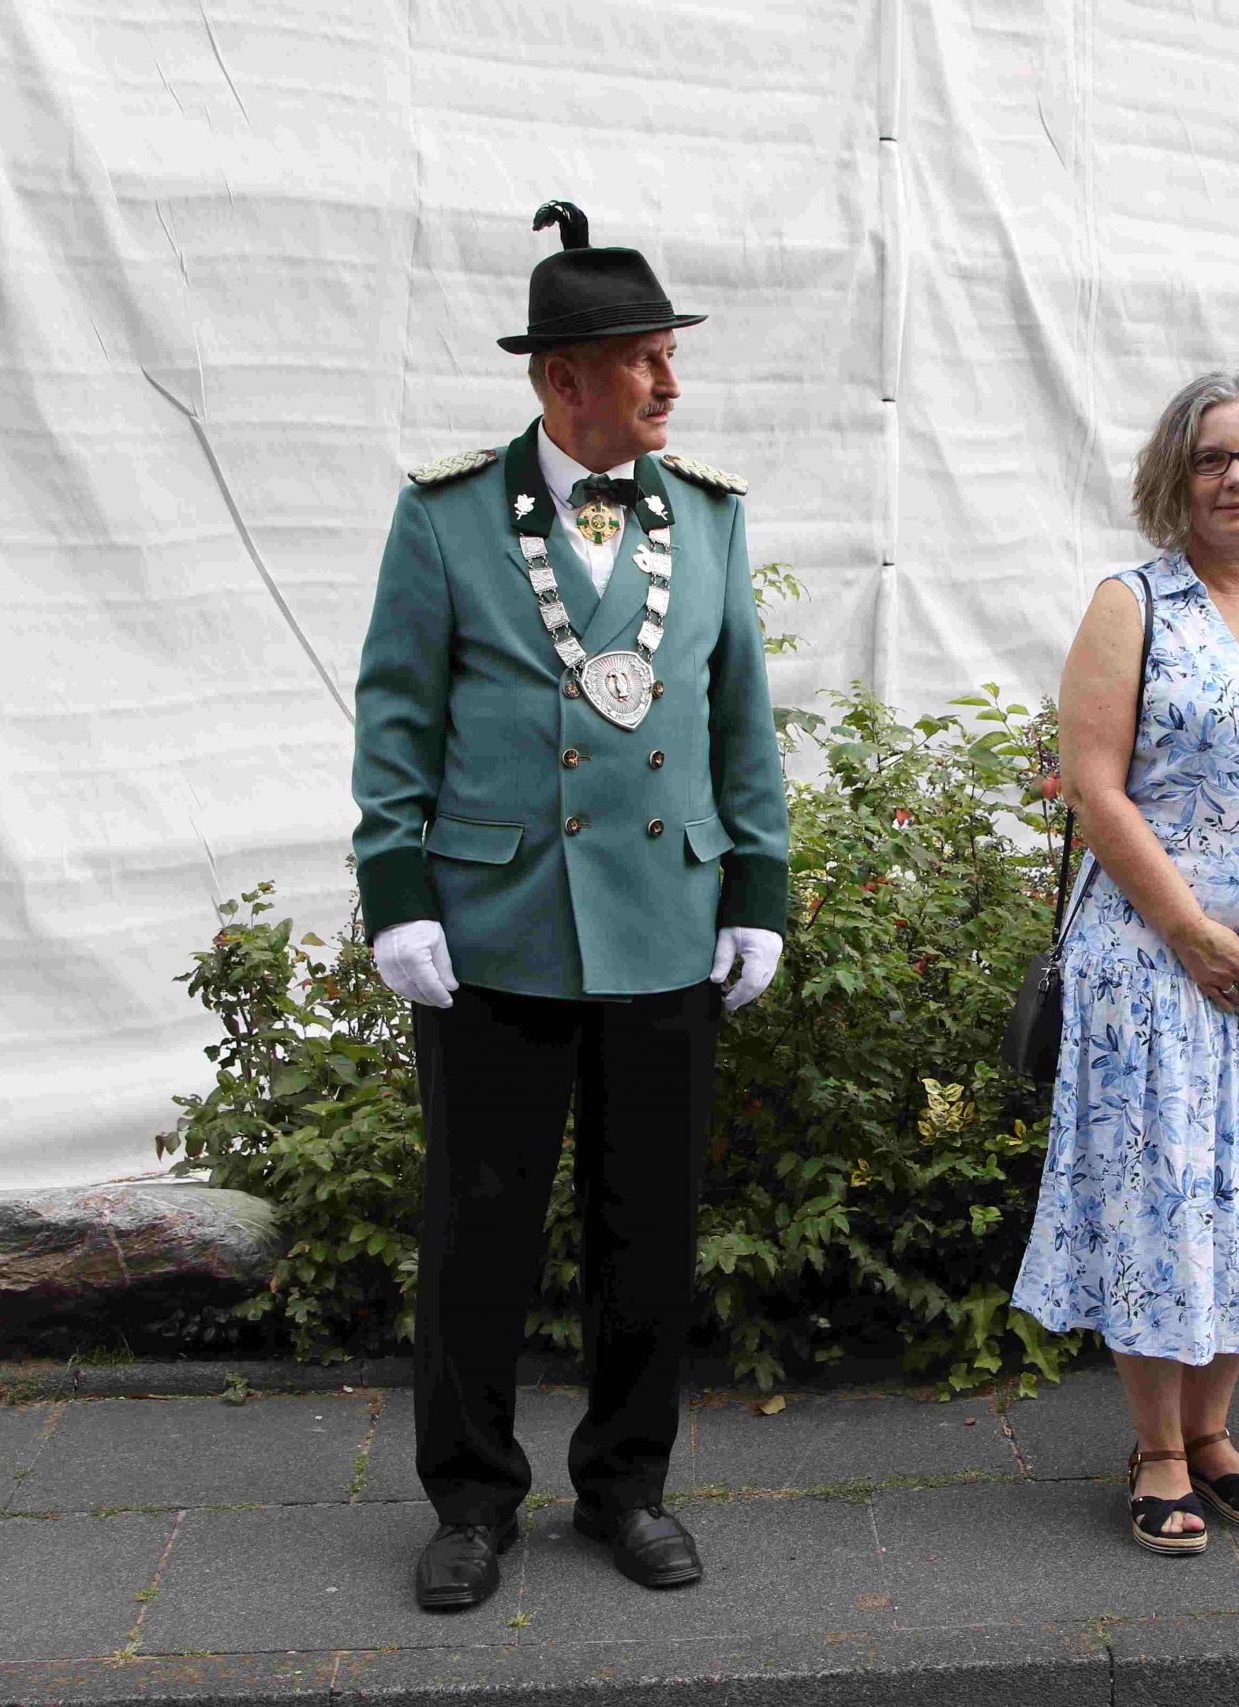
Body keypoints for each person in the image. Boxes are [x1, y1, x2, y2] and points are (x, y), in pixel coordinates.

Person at [349, 201, 789, 1611]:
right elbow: (396, 718)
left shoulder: (707, 516)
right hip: (499, 926)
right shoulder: (446, 517)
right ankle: (472, 1500)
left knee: (645, 1229)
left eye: (670, 356)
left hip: (664, 915)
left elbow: (740, 720)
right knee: (478, 1230)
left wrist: (758, 887)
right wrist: (396, 891)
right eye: (646, 360)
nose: (671, 384)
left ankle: (627, 1487)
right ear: (563, 379)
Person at [1011, 371, 1239, 1557]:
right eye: (1212, 458)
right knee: (1162, 1197)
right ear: (1175, 477)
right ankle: (1156, 1448)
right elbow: (1093, 785)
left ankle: (1214, 1433)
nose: (1236, 478)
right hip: (1151, 968)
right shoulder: (1133, 605)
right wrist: (1187, 931)